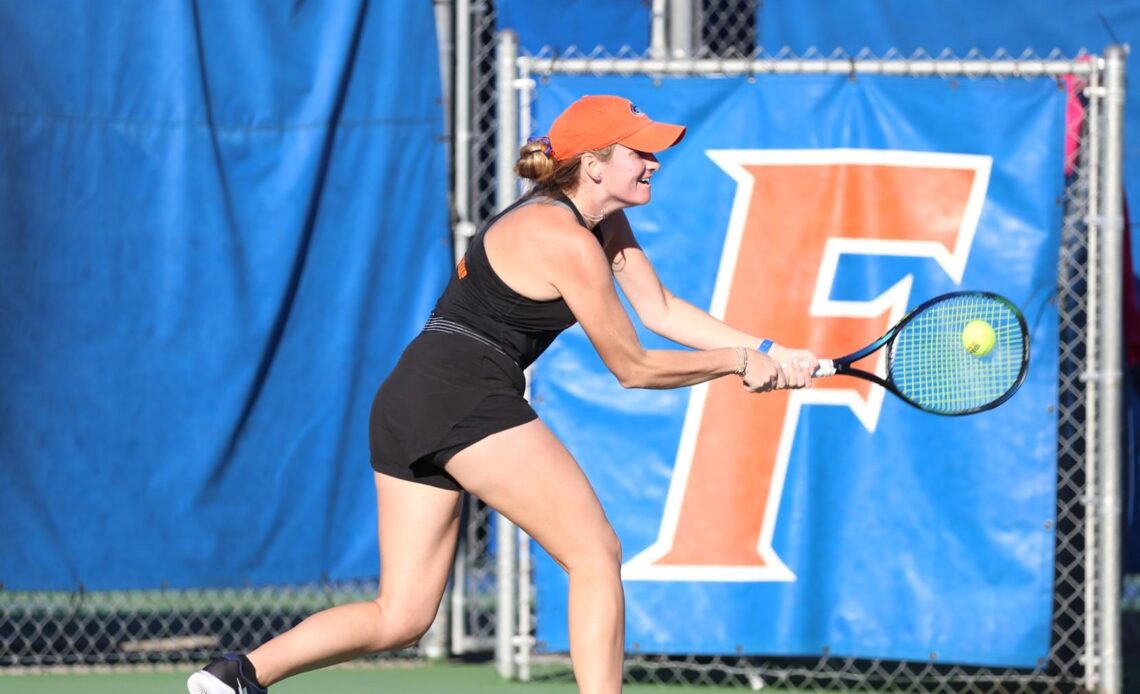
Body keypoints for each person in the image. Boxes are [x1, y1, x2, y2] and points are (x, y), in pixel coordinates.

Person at [187, 94, 819, 694]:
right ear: (593, 166)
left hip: (410, 399)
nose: (654, 162)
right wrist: (736, 362)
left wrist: (767, 350)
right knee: (596, 553)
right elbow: (633, 366)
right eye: (638, 152)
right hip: (463, 396)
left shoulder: (601, 219)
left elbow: (662, 309)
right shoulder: (564, 239)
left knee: (402, 615)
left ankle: (234, 676)